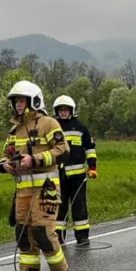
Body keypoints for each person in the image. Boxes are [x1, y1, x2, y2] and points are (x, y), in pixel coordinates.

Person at [0, 79, 71, 271]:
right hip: (23, 191)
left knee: (43, 233)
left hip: (45, 190)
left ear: (34, 101)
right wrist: (6, 165)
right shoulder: (15, 130)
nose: (18, 105)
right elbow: (4, 155)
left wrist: (35, 159)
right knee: (23, 234)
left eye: (22, 100)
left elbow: (63, 150)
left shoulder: (49, 123)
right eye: (15, 101)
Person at [52, 95, 98, 246]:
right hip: (58, 176)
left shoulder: (80, 127)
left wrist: (92, 167)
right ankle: (58, 236)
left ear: (71, 111)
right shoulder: (52, 127)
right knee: (59, 206)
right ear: (56, 111)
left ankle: (82, 236)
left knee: (79, 206)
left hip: (78, 177)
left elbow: (90, 149)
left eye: (66, 110)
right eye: (60, 110)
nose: (63, 112)